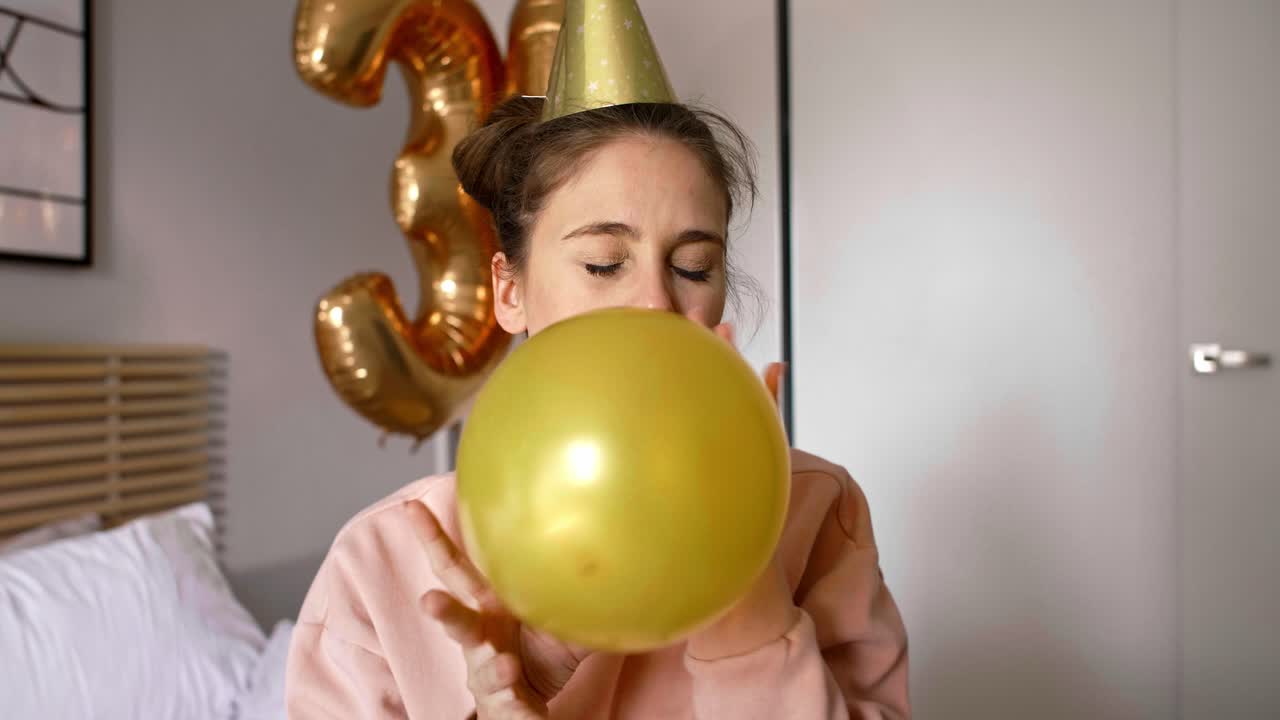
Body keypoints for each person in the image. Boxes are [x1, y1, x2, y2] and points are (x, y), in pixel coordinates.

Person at [286, 3, 908, 718]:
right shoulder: (380, 564)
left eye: (694, 267)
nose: (655, 305)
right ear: (509, 291)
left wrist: (745, 593)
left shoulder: (818, 512)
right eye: (604, 263)